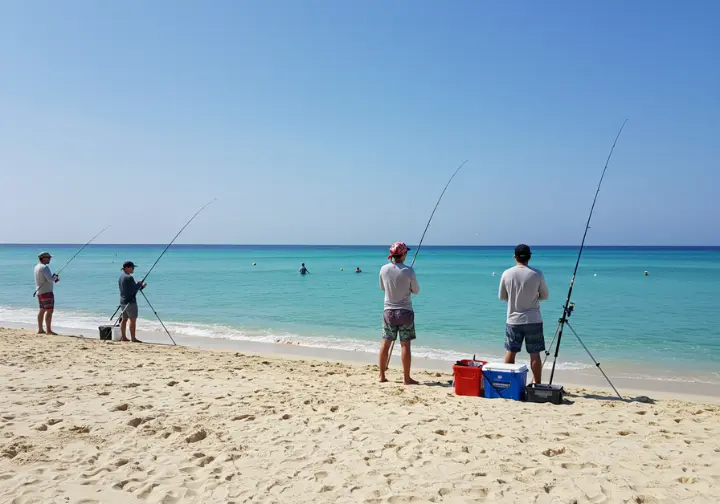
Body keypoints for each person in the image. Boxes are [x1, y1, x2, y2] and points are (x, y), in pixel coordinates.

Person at [498, 244, 549, 384]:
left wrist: (514, 299)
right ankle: (537, 384)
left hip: (513, 320)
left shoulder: (507, 273)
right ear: (529, 257)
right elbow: (545, 296)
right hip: (533, 319)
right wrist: (533, 297)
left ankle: (508, 383)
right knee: (535, 354)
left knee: (511, 351)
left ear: (515, 257)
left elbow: (502, 296)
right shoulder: (537, 274)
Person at [378, 242, 420, 385]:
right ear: (402, 254)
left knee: (385, 344)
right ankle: (406, 378)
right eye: (405, 253)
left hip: (388, 311)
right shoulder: (409, 271)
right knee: (405, 345)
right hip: (405, 312)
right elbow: (416, 291)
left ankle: (381, 376)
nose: (406, 254)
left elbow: (383, 288)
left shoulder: (383, 269)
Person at [118, 261, 146, 343]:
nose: (133, 269)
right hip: (130, 302)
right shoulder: (129, 277)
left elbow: (129, 289)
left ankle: (123, 337)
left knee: (124, 319)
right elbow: (134, 289)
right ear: (126, 268)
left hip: (123, 301)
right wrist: (140, 284)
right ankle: (133, 338)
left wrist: (140, 286)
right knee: (132, 320)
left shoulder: (121, 277)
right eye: (132, 267)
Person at [34, 251, 59, 335]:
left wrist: (53, 278)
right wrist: (55, 277)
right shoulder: (44, 267)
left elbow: (46, 279)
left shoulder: (37, 267)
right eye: (48, 257)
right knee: (49, 310)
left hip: (39, 292)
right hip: (46, 292)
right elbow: (50, 279)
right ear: (43, 258)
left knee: (42, 310)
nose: (50, 259)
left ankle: (40, 329)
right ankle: (48, 330)